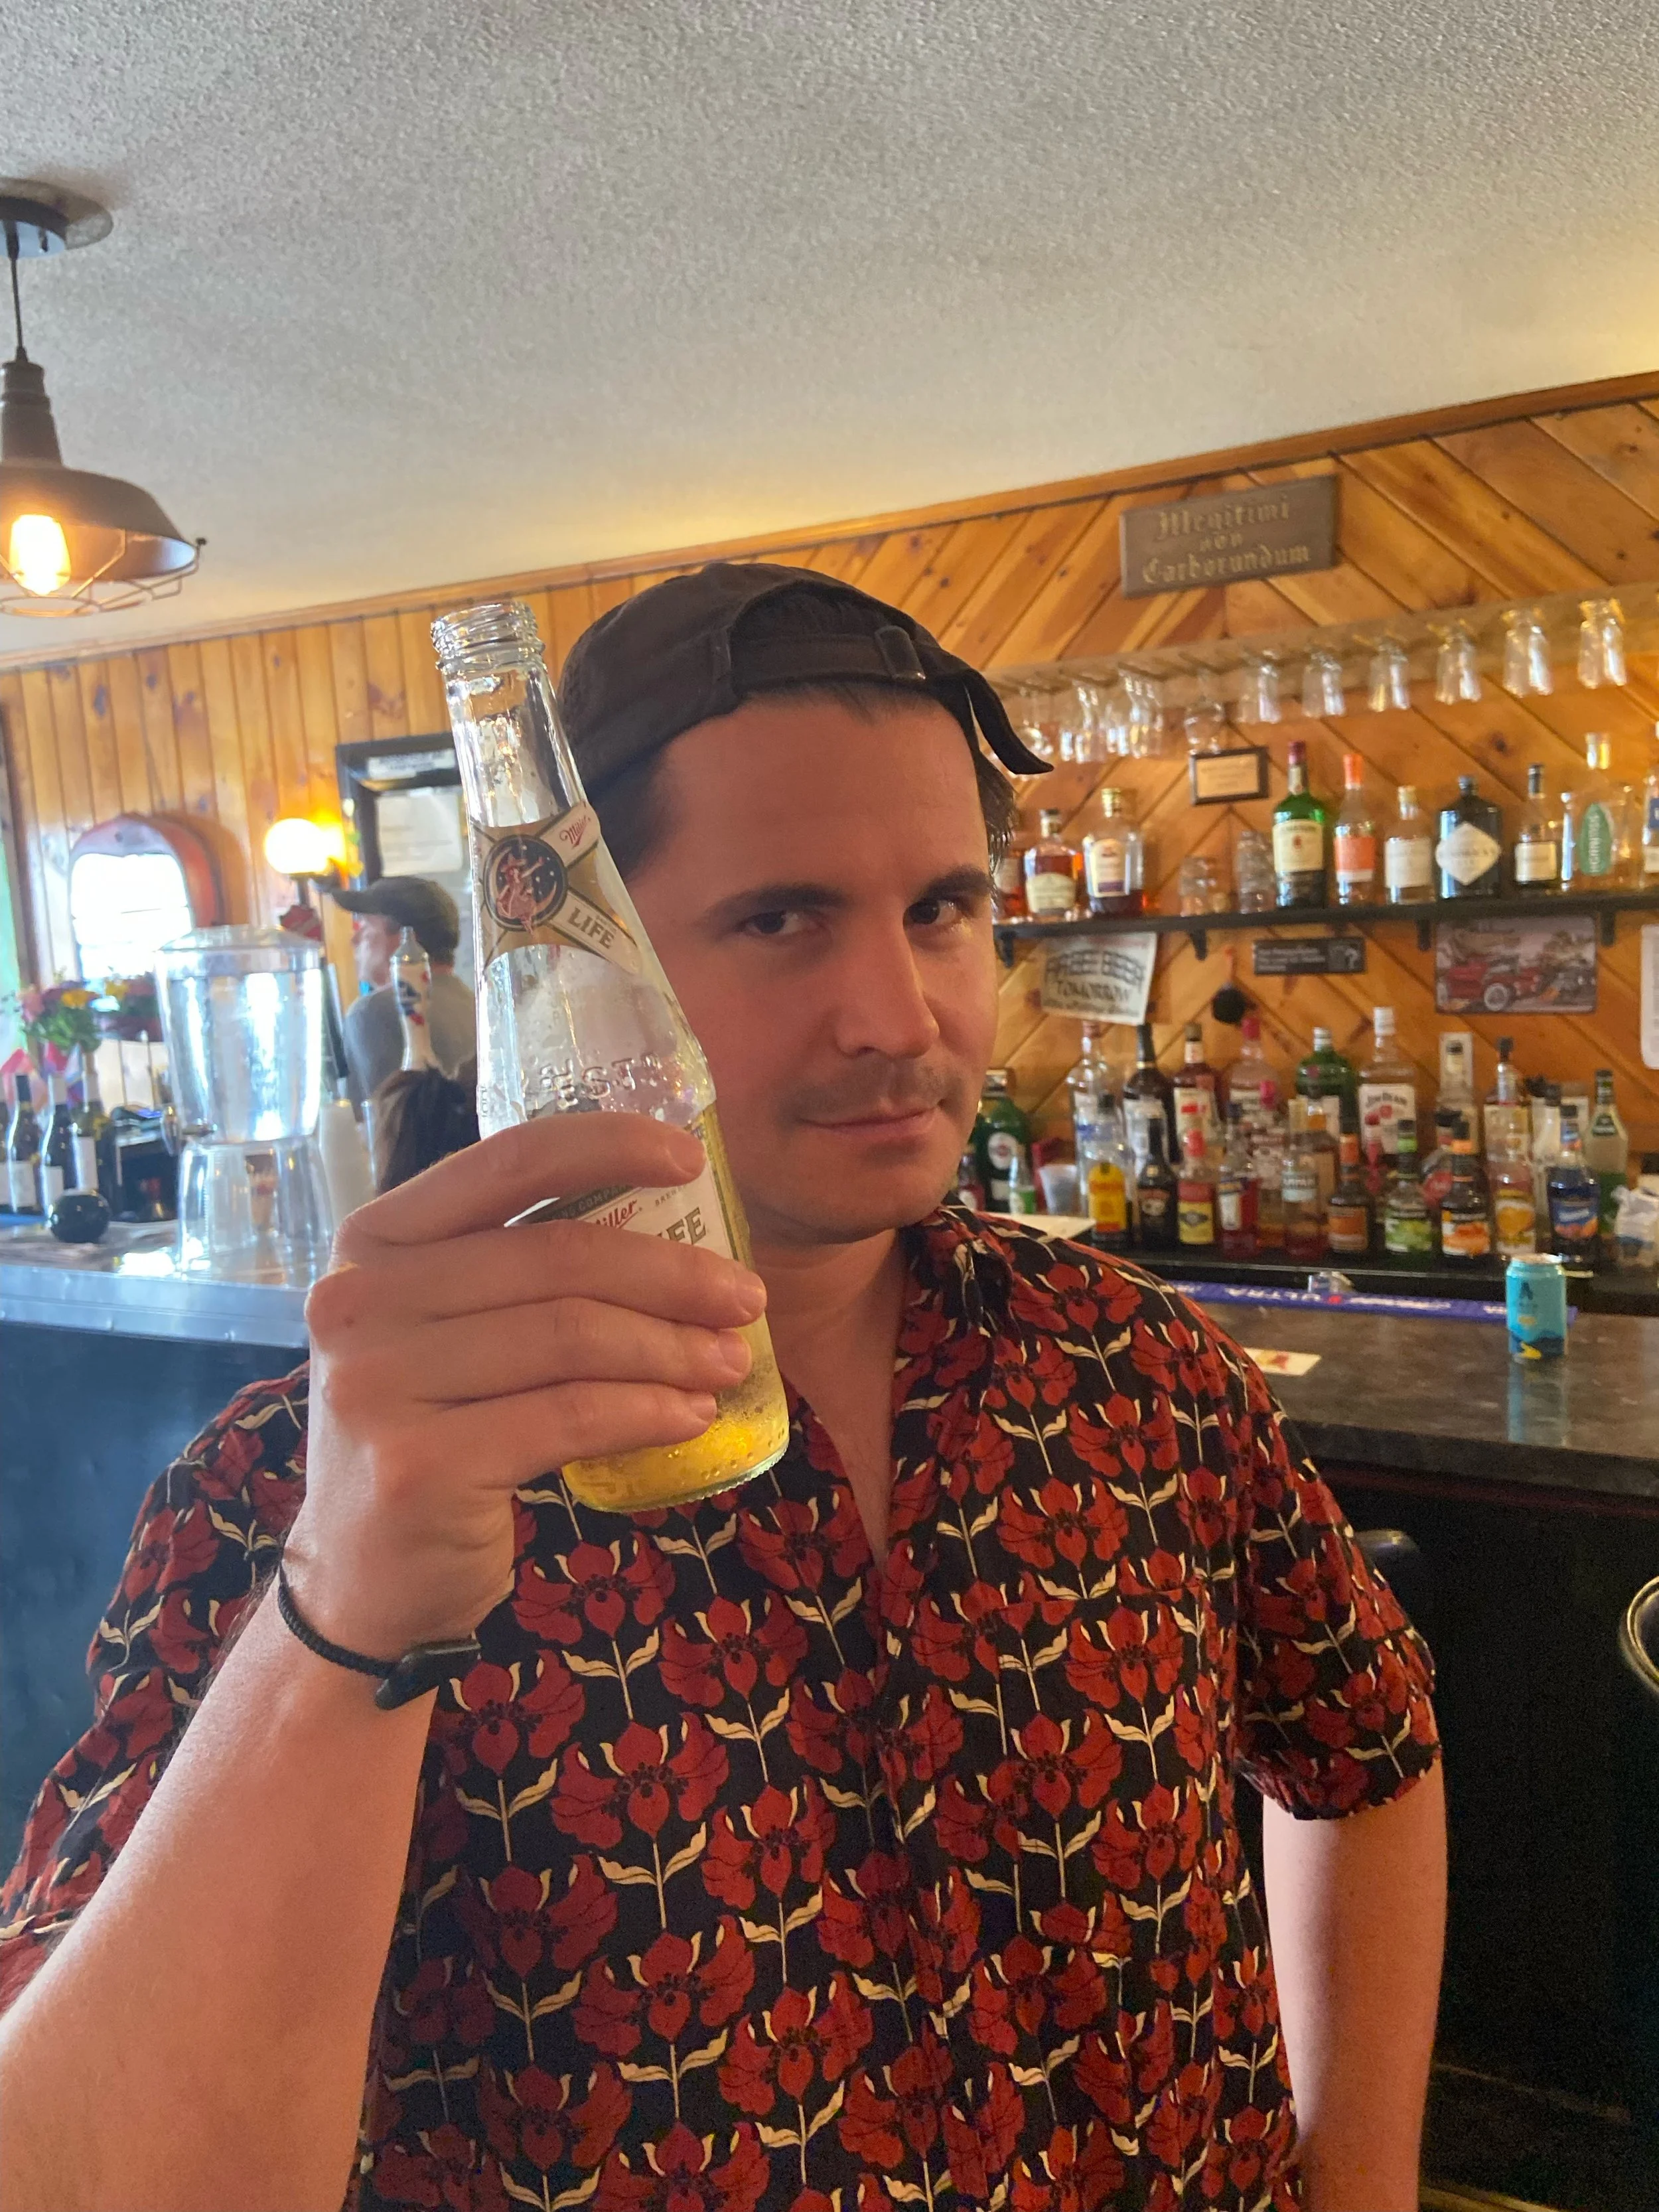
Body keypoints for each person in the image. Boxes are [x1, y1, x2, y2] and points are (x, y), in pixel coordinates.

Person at [0, 565, 1445, 2212]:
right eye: (781, 918)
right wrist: (345, 1621)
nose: (899, 1017)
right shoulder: (305, 1494)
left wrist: (1365, 2187)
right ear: (582, 961)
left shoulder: (1139, 1368)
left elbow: (1370, 1755)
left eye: (944, 910)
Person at [334, 875, 476, 1102]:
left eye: (365, 926)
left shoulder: (371, 1013)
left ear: (405, 940)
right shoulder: (475, 1005)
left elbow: (375, 1128)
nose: (355, 940)